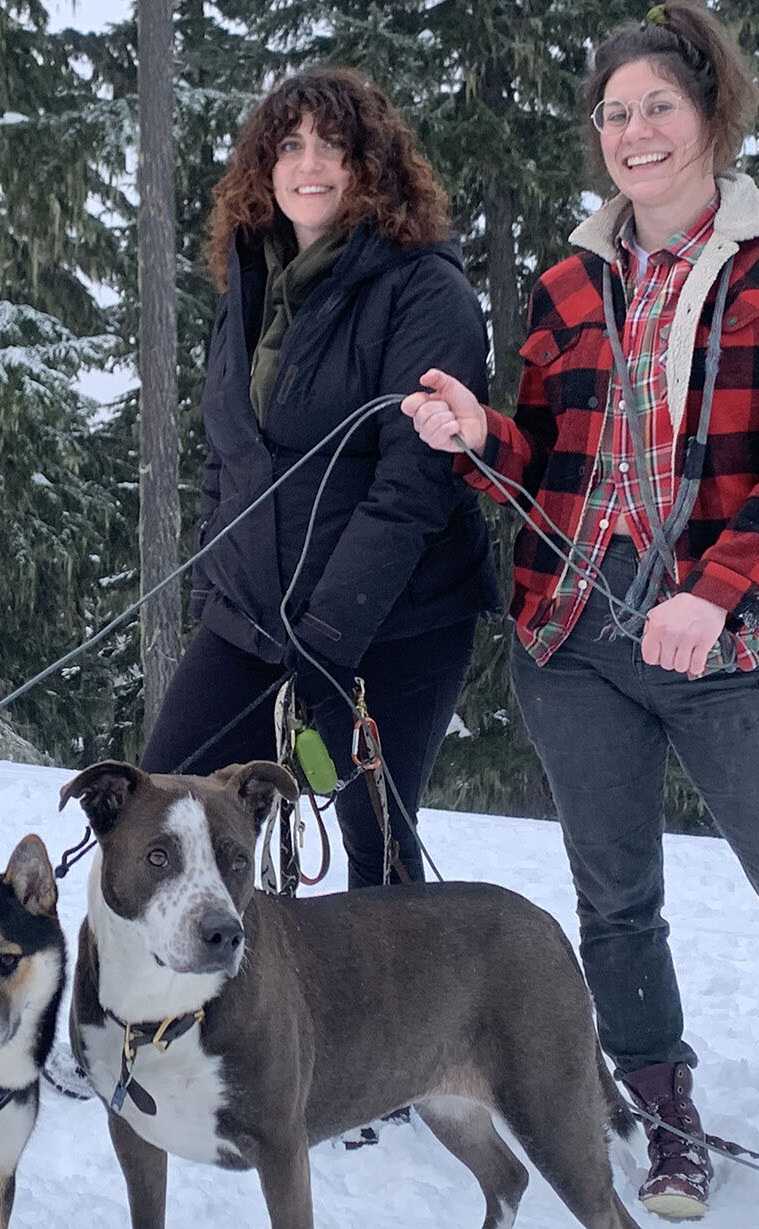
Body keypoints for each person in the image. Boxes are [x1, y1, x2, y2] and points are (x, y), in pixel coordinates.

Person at [401, 3, 759, 1223]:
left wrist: (712, 596)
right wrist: (472, 433)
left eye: (658, 104)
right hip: (572, 634)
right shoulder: (568, 280)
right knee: (614, 903)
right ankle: (665, 1129)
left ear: (711, 111)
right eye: (612, 112)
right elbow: (541, 452)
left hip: (736, 637)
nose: (634, 131)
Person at [141, 66, 496, 891]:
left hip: (393, 625)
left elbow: (415, 484)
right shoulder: (251, 279)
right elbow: (225, 455)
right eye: (290, 145)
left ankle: (400, 1018)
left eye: (333, 147)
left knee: (377, 848)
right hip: (252, 617)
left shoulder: (423, 289)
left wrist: (326, 639)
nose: (310, 165)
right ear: (263, 166)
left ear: (371, 166)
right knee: (164, 809)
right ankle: (189, 1006)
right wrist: (214, 589)